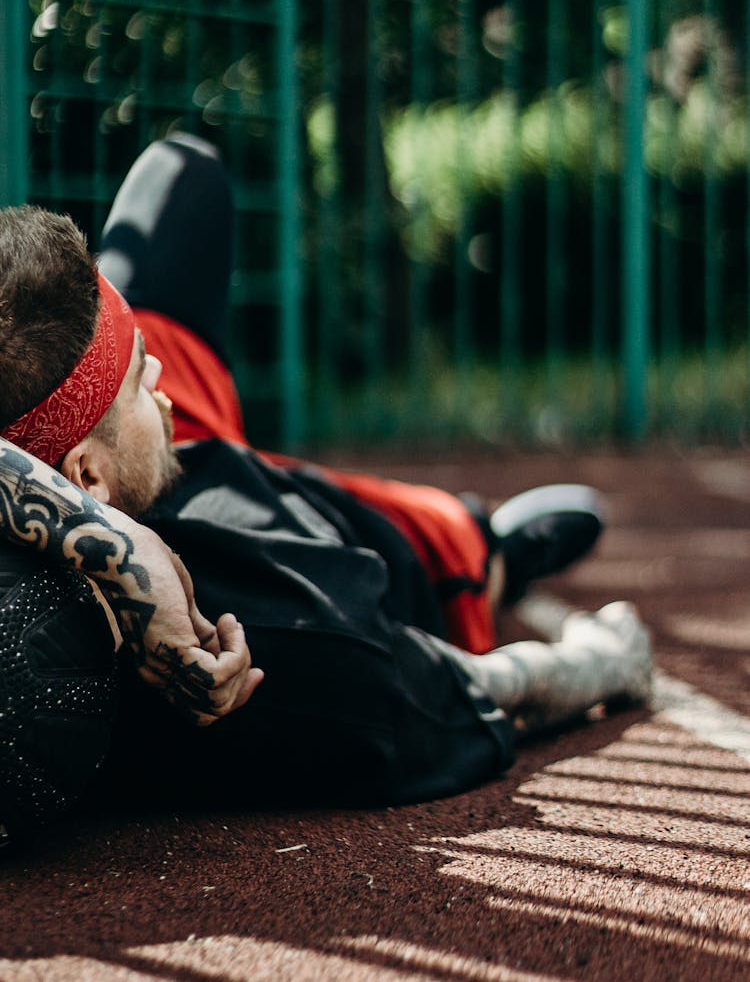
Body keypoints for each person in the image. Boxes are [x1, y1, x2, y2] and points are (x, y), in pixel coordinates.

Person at [0, 135, 651, 809]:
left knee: (182, 173)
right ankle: (489, 556)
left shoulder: (87, 446)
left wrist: (112, 527)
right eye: (142, 373)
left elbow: (113, 405)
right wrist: (604, 658)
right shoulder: (280, 637)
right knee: (436, 538)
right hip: (333, 540)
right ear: (85, 478)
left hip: (115, 447)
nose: (157, 367)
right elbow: (491, 689)